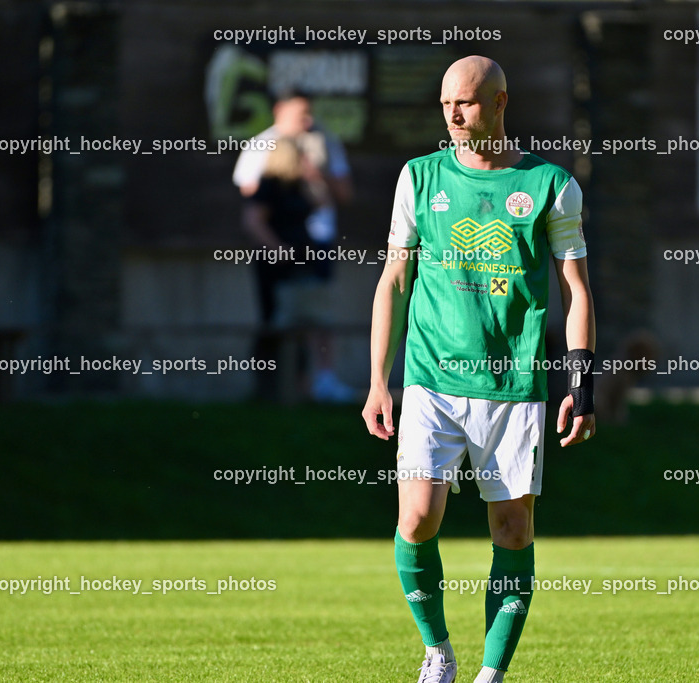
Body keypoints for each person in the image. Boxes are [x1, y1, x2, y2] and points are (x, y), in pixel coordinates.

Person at [361, 56, 597, 683]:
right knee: (417, 518)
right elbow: (394, 280)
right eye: (446, 105)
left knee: (513, 529)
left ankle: (491, 674)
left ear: (500, 103)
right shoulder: (419, 177)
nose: (454, 116)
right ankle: (438, 652)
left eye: (465, 103)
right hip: (431, 377)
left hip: (513, 383)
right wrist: (379, 379)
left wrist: (582, 386)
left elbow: (575, 290)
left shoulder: (550, 185)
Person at [234, 89, 354, 402]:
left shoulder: (322, 144)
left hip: (310, 252)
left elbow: (332, 198)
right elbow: (253, 212)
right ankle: (274, 388)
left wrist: (315, 174)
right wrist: (277, 248)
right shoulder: (266, 166)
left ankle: (314, 382)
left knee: (314, 316)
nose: (307, 121)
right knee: (279, 322)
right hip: (279, 260)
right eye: (300, 114)